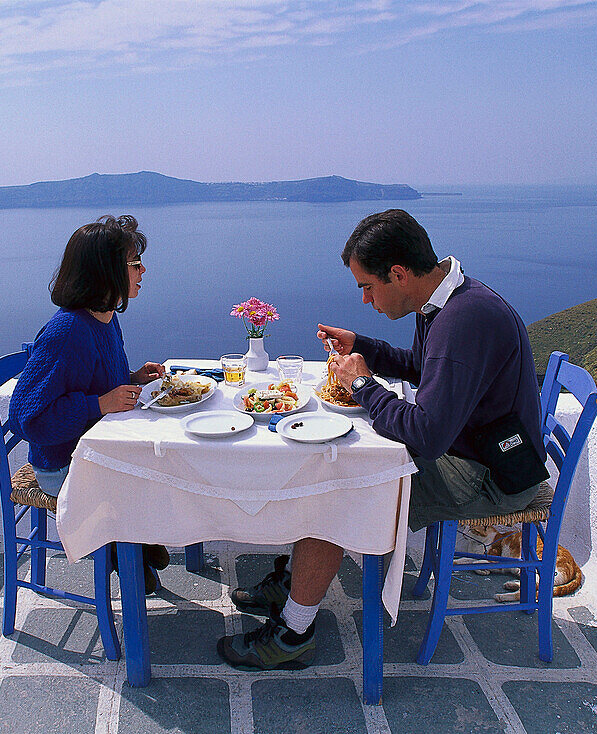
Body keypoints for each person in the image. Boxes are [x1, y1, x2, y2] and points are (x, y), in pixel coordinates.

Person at [217, 208, 547, 670]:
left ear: (399, 273)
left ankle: (293, 633)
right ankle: (295, 581)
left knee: (340, 490)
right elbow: (419, 365)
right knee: (332, 469)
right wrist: (362, 346)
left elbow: (428, 435)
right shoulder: (444, 302)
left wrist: (362, 386)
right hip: (476, 451)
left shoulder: (463, 321)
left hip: (489, 474)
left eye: (368, 288)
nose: (367, 301)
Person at [8, 215, 170, 590]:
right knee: (155, 475)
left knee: (163, 464)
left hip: (95, 451)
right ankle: (125, 550)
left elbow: (93, 382)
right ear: (106, 271)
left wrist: (131, 379)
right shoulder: (67, 331)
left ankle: (136, 543)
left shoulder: (106, 317)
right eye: (134, 264)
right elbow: (27, 418)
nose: (143, 269)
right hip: (62, 464)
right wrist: (98, 404)